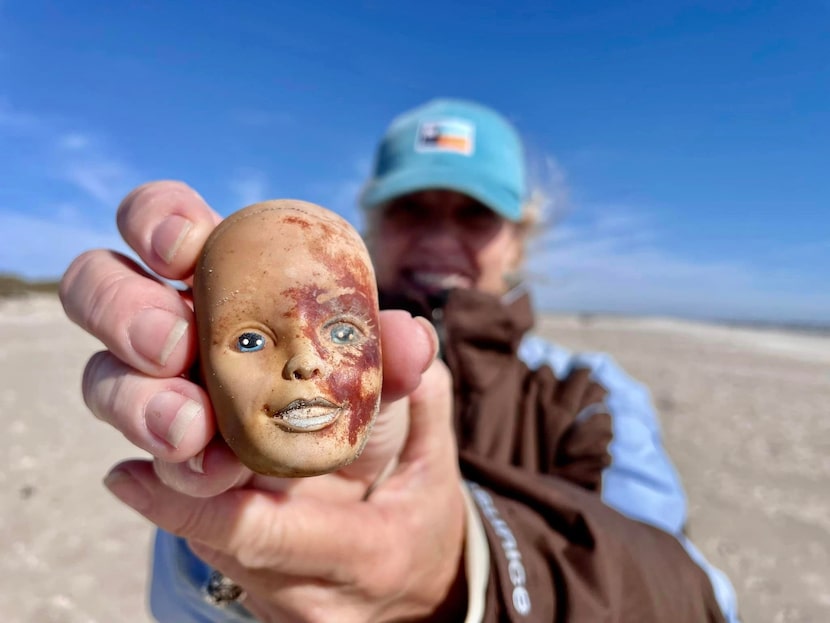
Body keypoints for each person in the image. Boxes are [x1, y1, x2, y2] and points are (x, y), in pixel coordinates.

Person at [60, 98, 740, 622]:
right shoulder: (263, 378)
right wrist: (229, 548)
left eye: (474, 214)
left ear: (519, 238)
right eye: (414, 208)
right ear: (372, 223)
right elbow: (176, 605)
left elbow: (701, 595)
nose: (441, 236)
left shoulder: (586, 395)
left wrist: (468, 563)